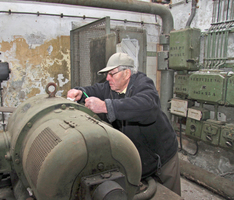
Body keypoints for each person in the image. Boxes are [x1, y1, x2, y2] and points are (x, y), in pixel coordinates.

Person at [67, 52, 181, 196]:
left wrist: (106, 107)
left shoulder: (143, 84)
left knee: (170, 195)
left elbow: (147, 106)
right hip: (139, 160)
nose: (108, 78)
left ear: (126, 73)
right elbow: (94, 89)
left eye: (111, 74)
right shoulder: (111, 87)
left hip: (162, 157)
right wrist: (80, 92)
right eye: (107, 74)